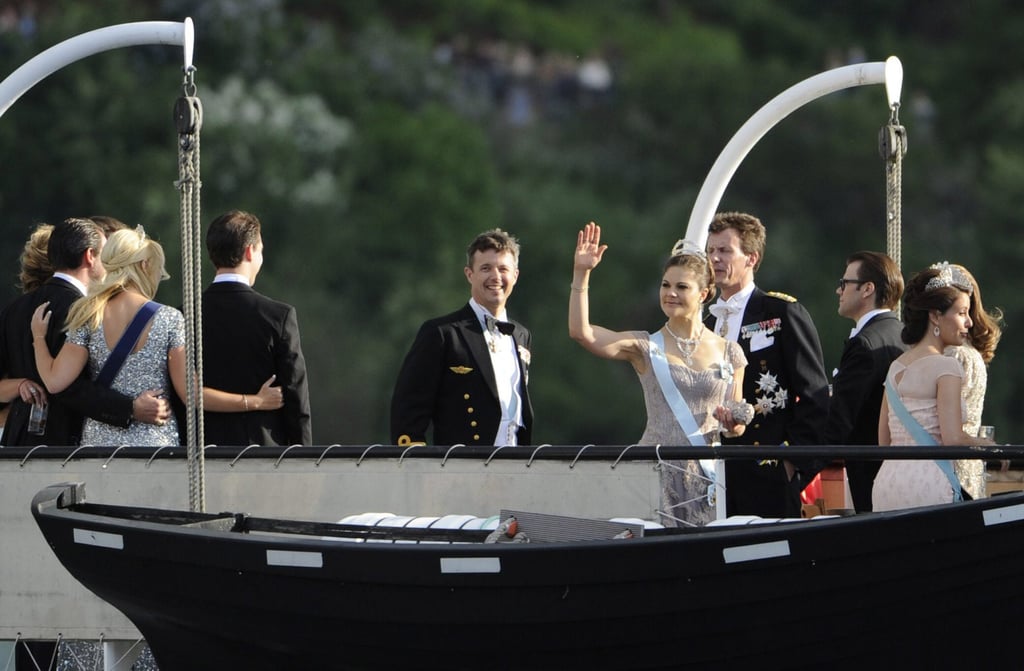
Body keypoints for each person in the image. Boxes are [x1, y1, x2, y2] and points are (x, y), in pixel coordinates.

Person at [568, 222, 752, 527]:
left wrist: (732, 423)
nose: (670, 293)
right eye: (666, 285)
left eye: (681, 287)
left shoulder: (730, 352)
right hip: (653, 472)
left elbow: (736, 427)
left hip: (705, 479)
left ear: (704, 293)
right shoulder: (644, 345)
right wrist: (581, 274)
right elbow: (582, 333)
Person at [31, 227, 281, 446]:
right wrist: (254, 401)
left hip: (99, 447)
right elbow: (191, 394)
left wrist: (39, 338)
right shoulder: (169, 318)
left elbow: (55, 381)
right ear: (143, 266)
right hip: (155, 446)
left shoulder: (88, 314)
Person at [0, 218, 170, 447]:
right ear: (90, 256)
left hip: (17, 440)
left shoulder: (14, 309)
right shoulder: (85, 310)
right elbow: (72, 387)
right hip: (68, 441)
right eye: (104, 254)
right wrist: (129, 408)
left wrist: (20, 385)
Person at [705, 211, 830, 518]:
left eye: (724, 251)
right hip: (710, 469)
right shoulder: (705, 322)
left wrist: (791, 463)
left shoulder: (781, 312)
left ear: (751, 257)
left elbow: (815, 395)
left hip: (767, 466)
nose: (715, 259)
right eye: (710, 251)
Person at [391, 228, 533, 446]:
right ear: (469, 274)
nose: (495, 277)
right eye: (486, 268)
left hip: (514, 467)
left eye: (503, 269)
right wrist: (417, 466)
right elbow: (409, 410)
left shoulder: (521, 335)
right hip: (461, 467)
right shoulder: (442, 333)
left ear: (515, 275)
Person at [874, 263, 996, 510]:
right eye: (962, 313)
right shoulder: (946, 367)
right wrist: (990, 447)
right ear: (935, 315)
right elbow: (953, 438)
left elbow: (884, 441)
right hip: (929, 484)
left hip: (888, 482)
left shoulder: (895, 366)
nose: (970, 322)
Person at [200, 210, 311, 446]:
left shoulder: (183, 314)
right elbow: (295, 395)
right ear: (250, 251)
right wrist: (305, 459)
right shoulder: (278, 316)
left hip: (200, 454)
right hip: (263, 454)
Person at [823, 251, 907, 512]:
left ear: (867, 289)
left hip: (870, 473)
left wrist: (797, 467)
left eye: (845, 283)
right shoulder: (901, 333)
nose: (839, 290)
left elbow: (841, 418)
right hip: (898, 469)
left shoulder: (866, 343)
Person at [942, 263, 1002, 500]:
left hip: (951, 468)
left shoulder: (955, 356)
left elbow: (947, 425)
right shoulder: (969, 353)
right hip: (968, 463)